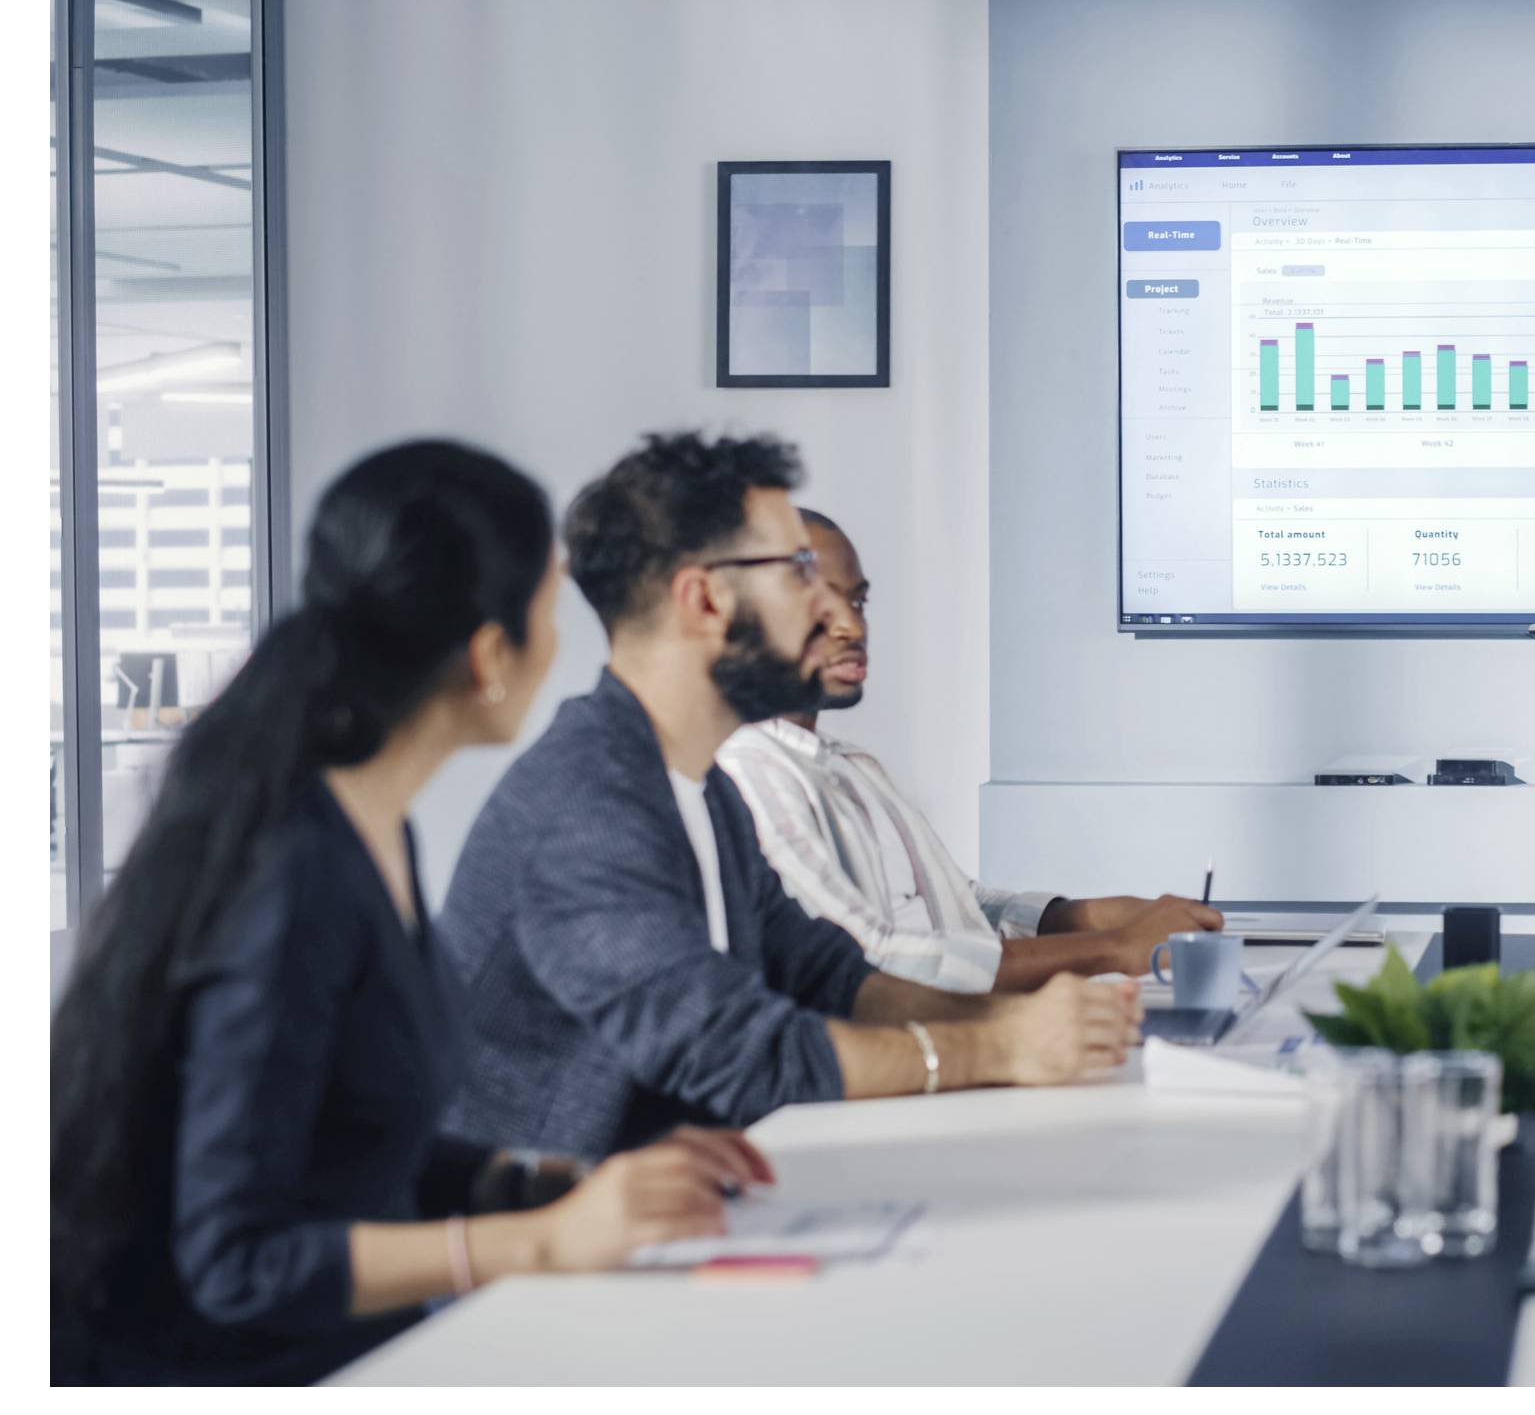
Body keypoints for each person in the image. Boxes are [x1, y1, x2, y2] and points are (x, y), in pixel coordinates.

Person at [51, 442, 761, 1385]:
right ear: (489, 655)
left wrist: (545, 1183)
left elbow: (350, 1144)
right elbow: (238, 1261)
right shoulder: (294, 878)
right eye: (551, 615)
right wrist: (540, 1243)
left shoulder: (374, 830)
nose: (563, 650)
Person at [439, 433, 1141, 1161]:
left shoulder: (699, 789)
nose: (839, 615)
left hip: (693, 1195)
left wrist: (1016, 1024)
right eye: (800, 571)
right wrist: (1000, 1048)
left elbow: (833, 978)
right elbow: (740, 1056)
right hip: (548, 1225)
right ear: (705, 598)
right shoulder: (589, 808)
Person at [717, 509, 1220, 993]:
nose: (852, 627)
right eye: (821, 607)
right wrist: (1114, 948)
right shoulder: (750, 771)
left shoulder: (848, 764)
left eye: (859, 602)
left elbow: (957, 908)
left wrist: (1085, 916)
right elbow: (872, 963)